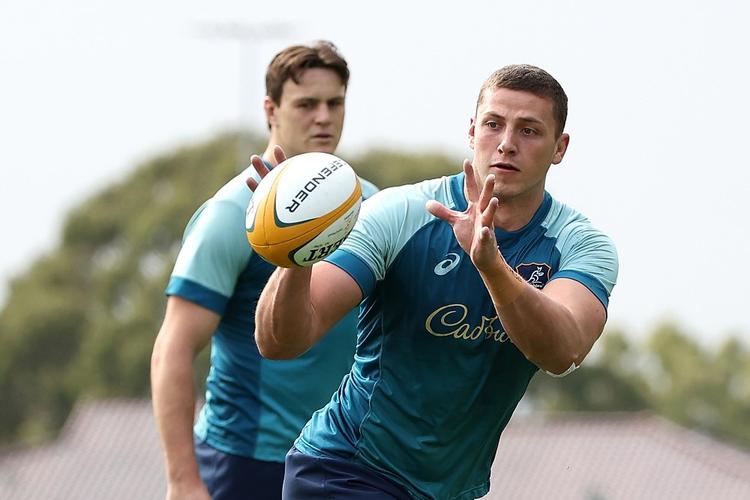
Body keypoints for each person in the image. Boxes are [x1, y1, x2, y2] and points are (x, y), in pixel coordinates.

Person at [250, 64, 619, 499]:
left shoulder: (580, 246)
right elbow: (280, 342)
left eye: (529, 131)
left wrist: (491, 266)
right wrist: (297, 252)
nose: (506, 143)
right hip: (349, 470)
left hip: (451, 490)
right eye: (493, 124)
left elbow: (561, 351)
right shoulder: (401, 215)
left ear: (560, 147)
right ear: (471, 131)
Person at [150, 41, 378, 500]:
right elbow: (173, 349)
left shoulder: (371, 205)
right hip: (244, 463)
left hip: (344, 461)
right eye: (306, 104)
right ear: (271, 109)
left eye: (335, 103)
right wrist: (183, 482)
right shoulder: (231, 213)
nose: (323, 117)